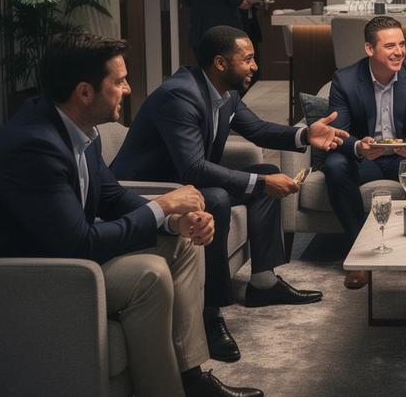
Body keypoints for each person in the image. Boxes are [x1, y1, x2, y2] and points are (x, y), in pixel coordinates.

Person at [0, 34, 262, 397]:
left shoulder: (80, 130)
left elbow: (112, 197)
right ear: (85, 92)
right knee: (147, 275)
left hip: (45, 255)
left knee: (183, 244)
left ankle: (190, 378)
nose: (128, 88)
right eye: (118, 82)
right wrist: (162, 206)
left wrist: (175, 222)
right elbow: (80, 243)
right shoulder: (34, 146)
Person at [112, 25, 348, 365]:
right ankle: (211, 315)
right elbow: (193, 168)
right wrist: (259, 184)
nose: (255, 66)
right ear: (221, 63)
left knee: (265, 175)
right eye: (248, 59)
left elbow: (258, 130)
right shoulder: (179, 96)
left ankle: (263, 284)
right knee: (222, 197)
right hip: (148, 190)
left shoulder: (226, 93)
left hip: (185, 182)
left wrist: (304, 135)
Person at [324, 16, 406, 290]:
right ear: (370, 49)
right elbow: (337, 133)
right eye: (390, 46)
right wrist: (359, 146)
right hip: (365, 160)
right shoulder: (344, 80)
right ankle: (360, 257)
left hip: (404, 160)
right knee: (333, 165)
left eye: (402, 44)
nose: (399, 52)